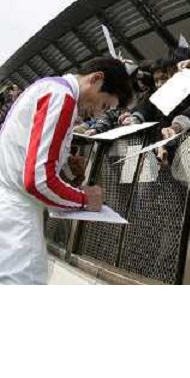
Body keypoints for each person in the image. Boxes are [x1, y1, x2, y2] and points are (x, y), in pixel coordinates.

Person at [0, 57, 133, 284]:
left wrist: (69, 171)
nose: (99, 114)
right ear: (96, 79)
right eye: (104, 105)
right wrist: (84, 199)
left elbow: (27, 156)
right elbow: (39, 181)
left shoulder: (47, 87)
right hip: (16, 220)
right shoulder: (62, 98)